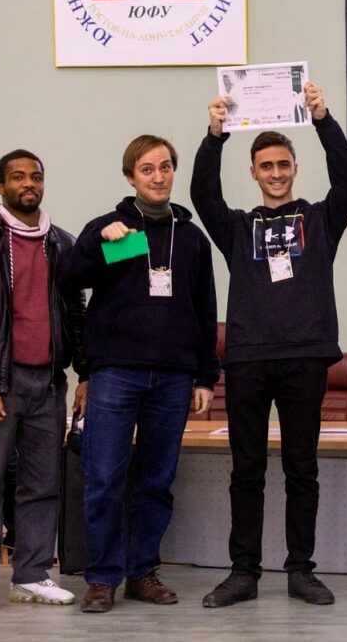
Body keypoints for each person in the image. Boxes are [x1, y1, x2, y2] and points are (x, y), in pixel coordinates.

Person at [191, 82, 347, 607]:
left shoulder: (320, 220)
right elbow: (203, 195)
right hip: (247, 361)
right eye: (266, 165)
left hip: (305, 359)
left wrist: (323, 120)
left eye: (283, 164)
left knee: (301, 469)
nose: (276, 172)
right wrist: (214, 136)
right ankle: (243, 573)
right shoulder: (237, 228)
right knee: (246, 471)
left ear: (295, 168)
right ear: (253, 172)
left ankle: (300, 571)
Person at [59, 135, 220, 614]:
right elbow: (69, 279)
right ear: (130, 176)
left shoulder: (191, 239)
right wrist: (97, 243)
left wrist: (205, 376)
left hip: (173, 378)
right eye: (147, 169)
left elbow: (205, 310)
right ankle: (102, 577)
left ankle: (141, 572)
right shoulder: (113, 231)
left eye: (165, 167)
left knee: (156, 481)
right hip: (116, 374)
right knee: (104, 477)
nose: (158, 176)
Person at [0, 149, 88, 614]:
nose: (29, 183)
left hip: (49, 385)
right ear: (0, 186)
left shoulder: (62, 243)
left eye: (36, 177)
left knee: (42, 484)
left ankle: (31, 575)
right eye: (18, 176)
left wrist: (86, 374)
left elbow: (76, 313)